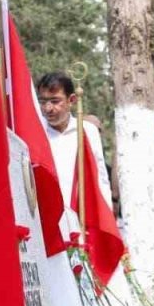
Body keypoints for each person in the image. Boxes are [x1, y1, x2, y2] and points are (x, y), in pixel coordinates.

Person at [37, 72, 111, 211]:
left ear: (71, 100)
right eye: (43, 101)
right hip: (46, 217)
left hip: (81, 216)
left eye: (55, 101)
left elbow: (101, 179)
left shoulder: (87, 131)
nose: (48, 108)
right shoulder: (36, 133)